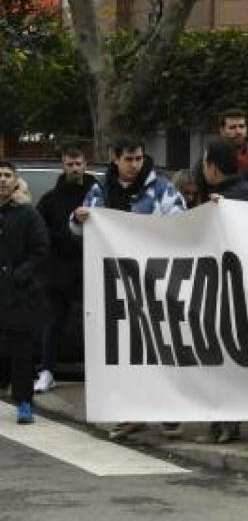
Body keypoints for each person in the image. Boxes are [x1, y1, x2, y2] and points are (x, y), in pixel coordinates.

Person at [70, 137, 187, 440]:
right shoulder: (101, 189)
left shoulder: (161, 188)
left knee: (161, 348)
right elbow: (80, 226)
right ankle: (132, 413)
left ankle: (169, 412)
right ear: (115, 159)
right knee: (126, 351)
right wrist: (78, 218)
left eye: (138, 158)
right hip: (116, 283)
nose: (135, 165)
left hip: (155, 282)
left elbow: (181, 221)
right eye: (128, 159)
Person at [194, 140, 248, 444]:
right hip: (223, 287)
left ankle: (227, 422)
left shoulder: (240, 196)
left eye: (204, 163)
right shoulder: (226, 194)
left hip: (235, 290)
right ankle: (218, 422)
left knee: (227, 359)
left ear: (213, 167)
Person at [33, 147, 97, 394]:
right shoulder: (50, 199)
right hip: (58, 270)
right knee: (54, 322)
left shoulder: (98, 194)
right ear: (63, 165)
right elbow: (40, 233)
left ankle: (100, 373)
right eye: (70, 164)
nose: (74, 169)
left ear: (85, 164)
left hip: (91, 268)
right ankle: (47, 371)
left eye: (78, 164)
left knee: (96, 322)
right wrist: (64, 235)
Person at [0, 160, 49, 424]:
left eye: (7, 175)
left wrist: (20, 275)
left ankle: (24, 403)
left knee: (21, 352)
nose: (2, 179)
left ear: (16, 181)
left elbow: (41, 249)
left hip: (19, 295)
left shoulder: (27, 214)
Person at [195, 109, 248, 199]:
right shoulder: (209, 160)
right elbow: (198, 194)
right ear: (222, 130)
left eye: (242, 126)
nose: (238, 131)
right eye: (232, 127)